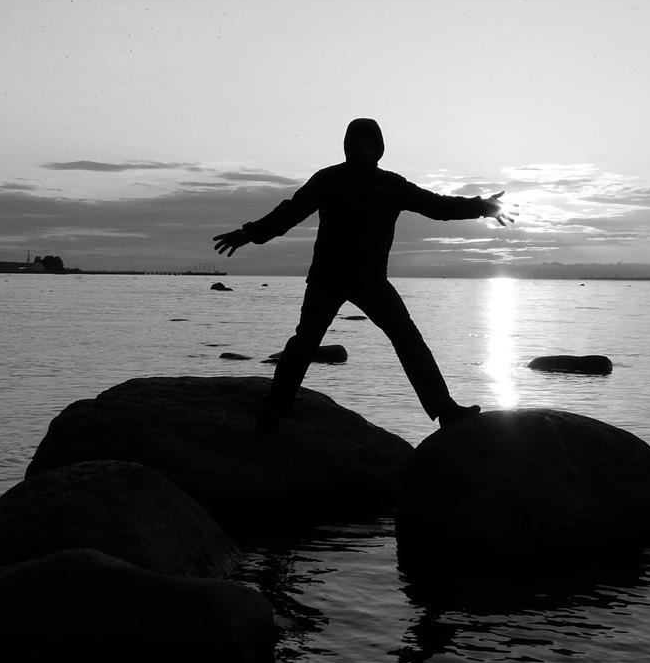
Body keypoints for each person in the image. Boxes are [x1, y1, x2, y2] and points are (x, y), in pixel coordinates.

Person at [214, 118, 511, 431]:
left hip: (371, 281)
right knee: (304, 343)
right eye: (357, 145)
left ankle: (444, 409)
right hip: (328, 278)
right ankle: (273, 410)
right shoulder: (329, 179)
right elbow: (290, 212)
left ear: (380, 149)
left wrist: (482, 206)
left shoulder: (392, 185)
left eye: (370, 146)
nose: (364, 151)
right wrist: (249, 233)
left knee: (409, 340)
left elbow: (437, 206)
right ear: (347, 148)